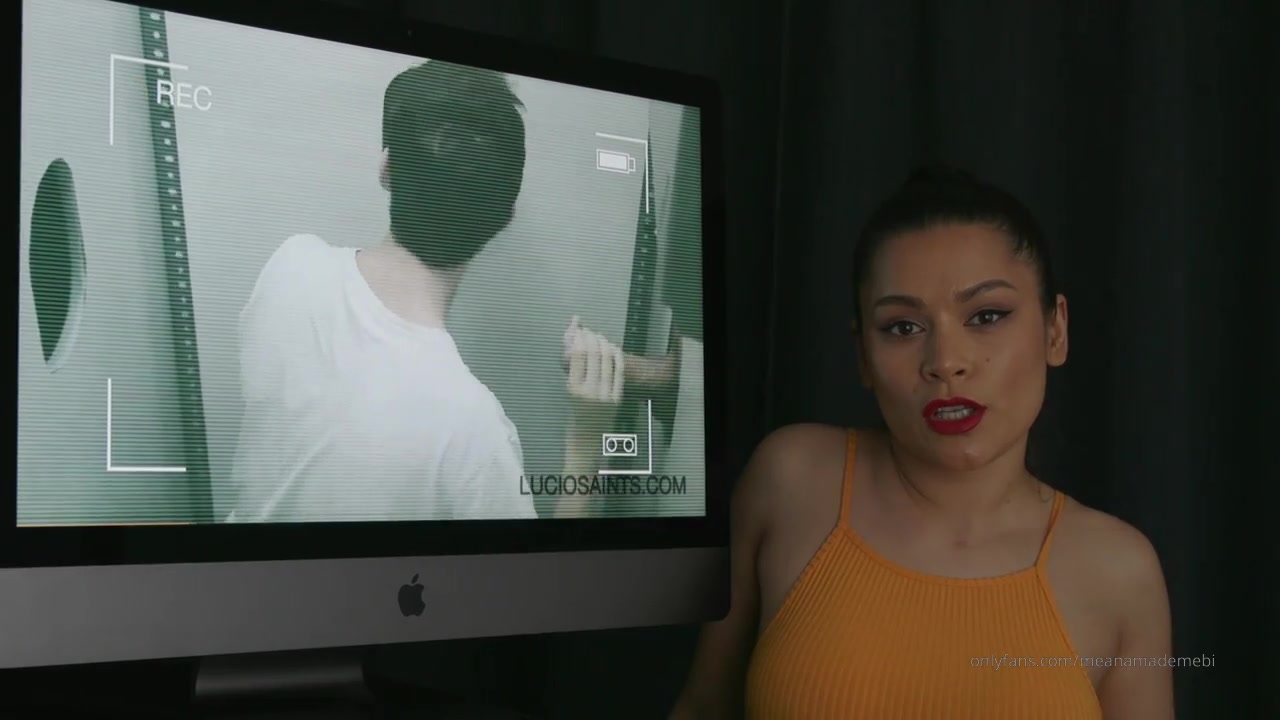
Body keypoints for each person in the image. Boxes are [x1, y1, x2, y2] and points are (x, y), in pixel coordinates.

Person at [671, 167, 1174, 719]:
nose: (945, 362)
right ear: (863, 355)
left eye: (987, 316)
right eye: (903, 327)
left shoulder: (1118, 571)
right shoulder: (792, 482)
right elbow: (702, 708)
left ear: (1056, 330)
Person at [226, 60, 618, 523]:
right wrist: (587, 441)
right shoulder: (474, 432)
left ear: (385, 167)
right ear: (505, 219)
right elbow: (553, 571)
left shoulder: (290, 265)